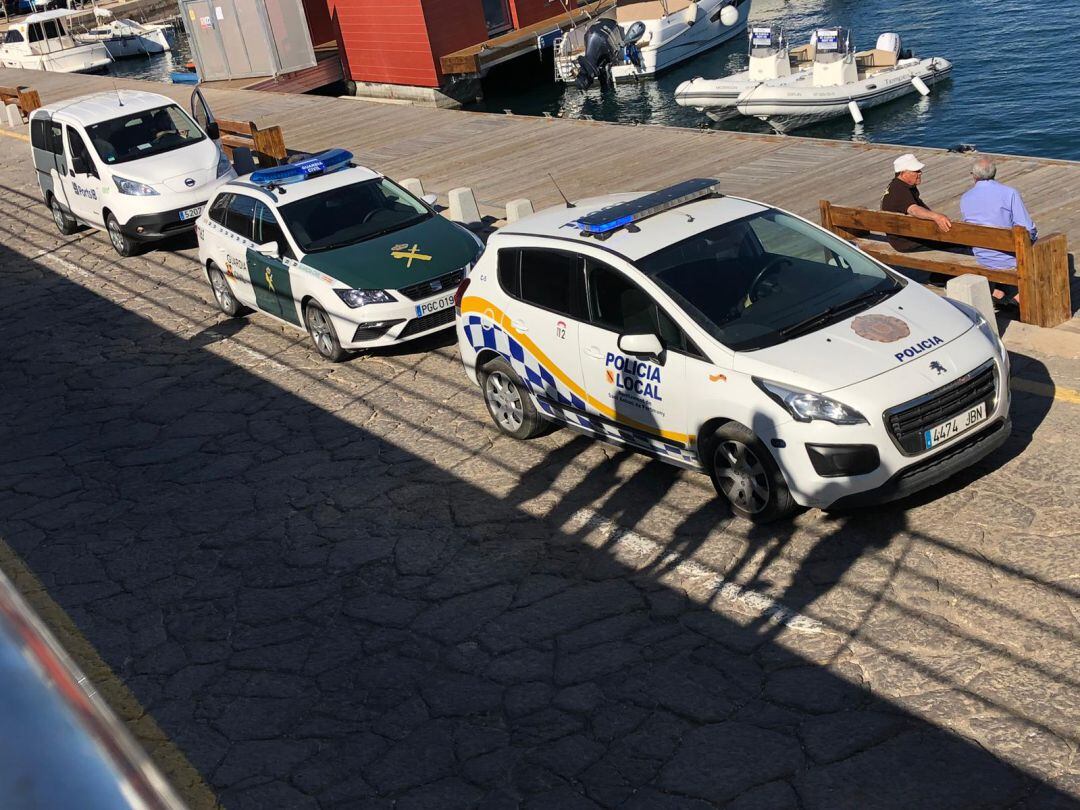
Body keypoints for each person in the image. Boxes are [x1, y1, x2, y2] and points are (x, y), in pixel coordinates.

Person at [960, 157, 1036, 309]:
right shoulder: (1009, 193)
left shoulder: (966, 197)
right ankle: (1017, 297)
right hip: (1008, 258)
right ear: (994, 173)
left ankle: (999, 293)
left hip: (981, 256)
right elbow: (1027, 228)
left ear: (973, 175)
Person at [880, 153, 953, 252]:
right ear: (903, 173)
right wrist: (936, 216)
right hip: (906, 241)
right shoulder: (900, 190)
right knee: (957, 244)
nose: (920, 173)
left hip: (907, 233)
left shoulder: (899, 185)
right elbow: (914, 210)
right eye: (916, 171)